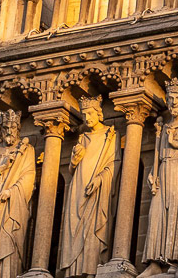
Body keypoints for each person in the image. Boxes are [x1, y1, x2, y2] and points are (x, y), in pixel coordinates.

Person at [143, 80, 178, 268]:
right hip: (164, 169)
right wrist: (153, 173)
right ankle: (154, 263)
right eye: (170, 98)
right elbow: (158, 155)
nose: (173, 102)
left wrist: (175, 143)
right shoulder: (165, 126)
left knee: (176, 212)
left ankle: (174, 260)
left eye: (177, 98)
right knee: (156, 214)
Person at [60, 102, 118, 277]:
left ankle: (91, 269)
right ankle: (75, 271)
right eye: (84, 115)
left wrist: (100, 179)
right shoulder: (82, 137)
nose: (87, 118)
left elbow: (114, 163)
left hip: (97, 188)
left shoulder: (110, 134)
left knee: (92, 227)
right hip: (78, 188)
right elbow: (72, 170)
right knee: (74, 227)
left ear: (99, 113)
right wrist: (74, 161)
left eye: (90, 114)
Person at [0, 110, 35, 278]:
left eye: (12, 127)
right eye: (5, 128)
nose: (9, 131)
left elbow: (29, 176)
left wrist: (12, 191)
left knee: (10, 237)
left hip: (14, 199)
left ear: (18, 128)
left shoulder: (27, 150)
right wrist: (2, 167)